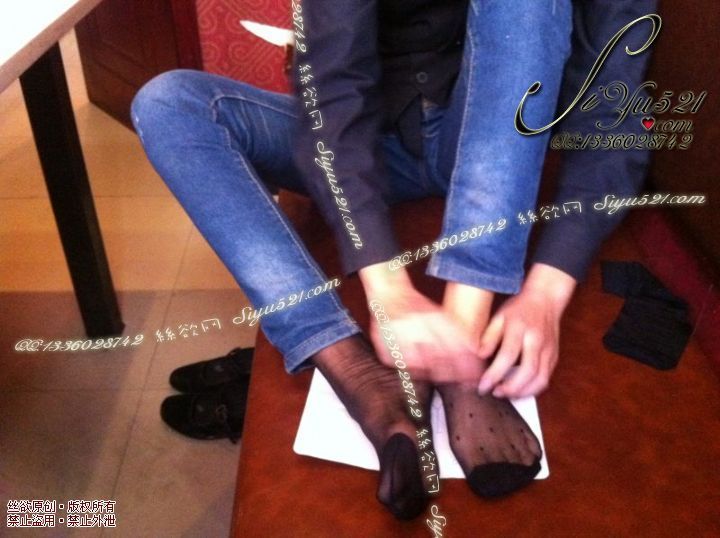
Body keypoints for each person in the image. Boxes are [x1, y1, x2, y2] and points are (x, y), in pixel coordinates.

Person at [130, 0, 655, 520]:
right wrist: (388, 290)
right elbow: (333, 91)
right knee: (169, 103)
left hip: (490, 151)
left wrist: (546, 293)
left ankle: (463, 340)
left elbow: (613, 114)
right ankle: (352, 367)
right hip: (374, 149)